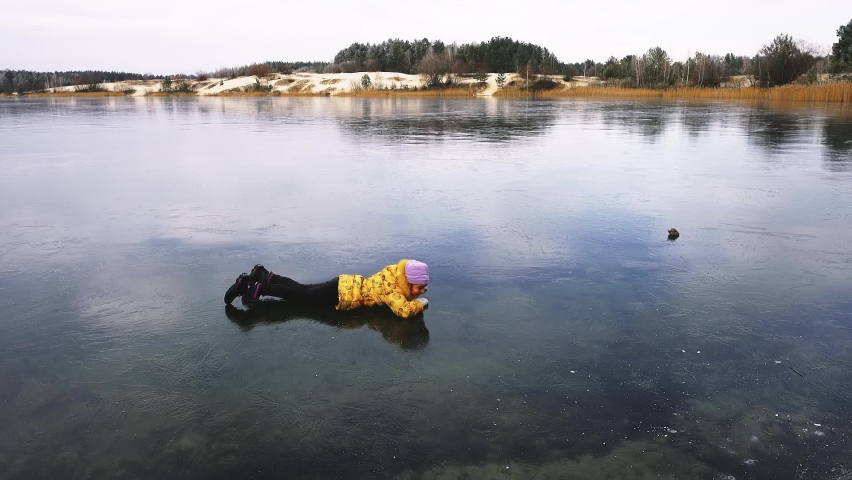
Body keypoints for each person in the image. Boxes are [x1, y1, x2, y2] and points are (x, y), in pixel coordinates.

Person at [224, 259, 430, 319]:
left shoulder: (393, 273)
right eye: (419, 288)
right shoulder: (392, 291)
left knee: (302, 289)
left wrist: (414, 293)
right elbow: (403, 310)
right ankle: (254, 288)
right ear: (408, 281)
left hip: (344, 283)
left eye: (424, 290)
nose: (421, 292)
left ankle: (265, 275)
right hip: (341, 295)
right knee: (299, 297)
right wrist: (420, 304)